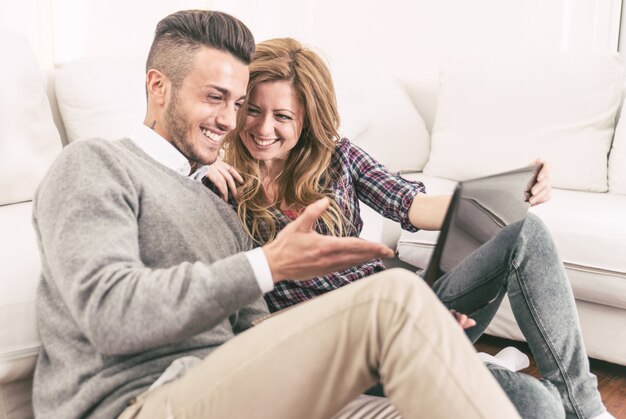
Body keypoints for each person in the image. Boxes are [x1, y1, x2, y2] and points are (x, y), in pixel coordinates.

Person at [31, 10, 523, 419]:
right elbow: (109, 314)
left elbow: (254, 331)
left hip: (240, 391)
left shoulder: (218, 203)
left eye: (237, 102)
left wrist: (381, 338)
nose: (228, 120)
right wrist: (269, 264)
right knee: (393, 296)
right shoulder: (94, 164)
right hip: (138, 402)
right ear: (158, 87)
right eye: (214, 97)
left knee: (491, 398)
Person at [206, 37, 613, 419]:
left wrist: (504, 194)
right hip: (344, 351)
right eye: (253, 111)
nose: (262, 129)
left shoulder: (336, 157)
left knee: (526, 230)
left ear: (308, 119)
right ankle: (473, 365)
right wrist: (206, 175)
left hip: (407, 308)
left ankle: (586, 408)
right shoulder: (222, 187)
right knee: (537, 404)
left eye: (282, 116)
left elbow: (410, 203)